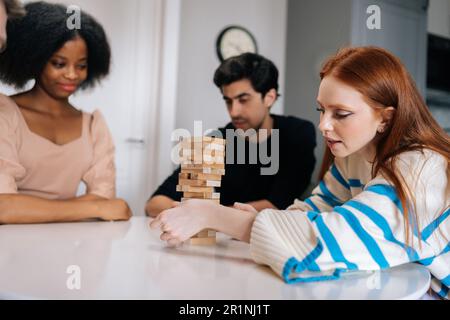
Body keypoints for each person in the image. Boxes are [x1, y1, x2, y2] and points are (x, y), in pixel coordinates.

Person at [151, 47, 450, 299]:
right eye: (321, 110)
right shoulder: (351, 158)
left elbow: (325, 243)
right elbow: (309, 211)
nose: (324, 126)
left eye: (341, 114)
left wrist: (215, 216)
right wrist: (250, 221)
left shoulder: (422, 170)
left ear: (385, 119)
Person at [0, 1, 131, 224]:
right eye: (59, 64)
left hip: (70, 245)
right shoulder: (6, 114)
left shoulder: (93, 125)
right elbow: (3, 208)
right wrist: (93, 206)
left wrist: (25, 207)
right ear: (36, 60)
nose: (72, 75)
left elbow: (106, 202)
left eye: (81, 65)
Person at [146, 53, 316, 216]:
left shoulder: (298, 133)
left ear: (269, 97)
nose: (234, 112)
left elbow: (278, 205)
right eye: (228, 101)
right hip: (225, 242)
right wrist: (200, 214)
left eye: (243, 100)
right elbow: (155, 203)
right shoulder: (217, 139)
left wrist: (204, 215)